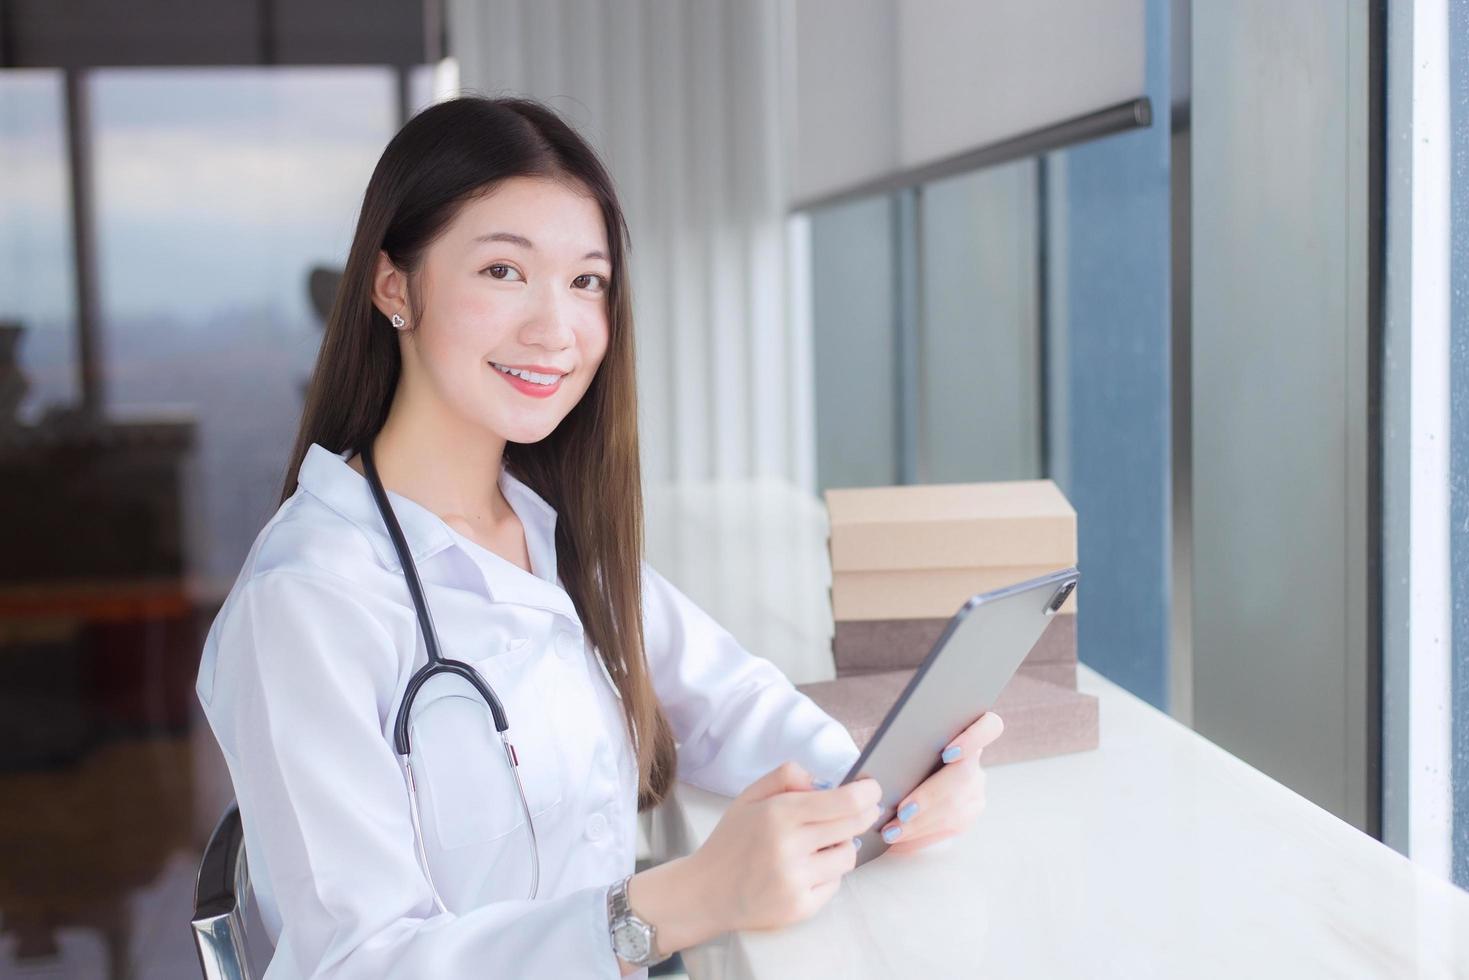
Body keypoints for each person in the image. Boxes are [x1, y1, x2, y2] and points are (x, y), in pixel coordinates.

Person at [194, 95, 1003, 978]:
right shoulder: (308, 601)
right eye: (504, 272)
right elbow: (358, 964)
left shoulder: (547, 532)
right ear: (395, 286)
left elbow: (727, 699)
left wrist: (885, 785)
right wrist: (687, 901)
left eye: (587, 282)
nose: (556, 330)